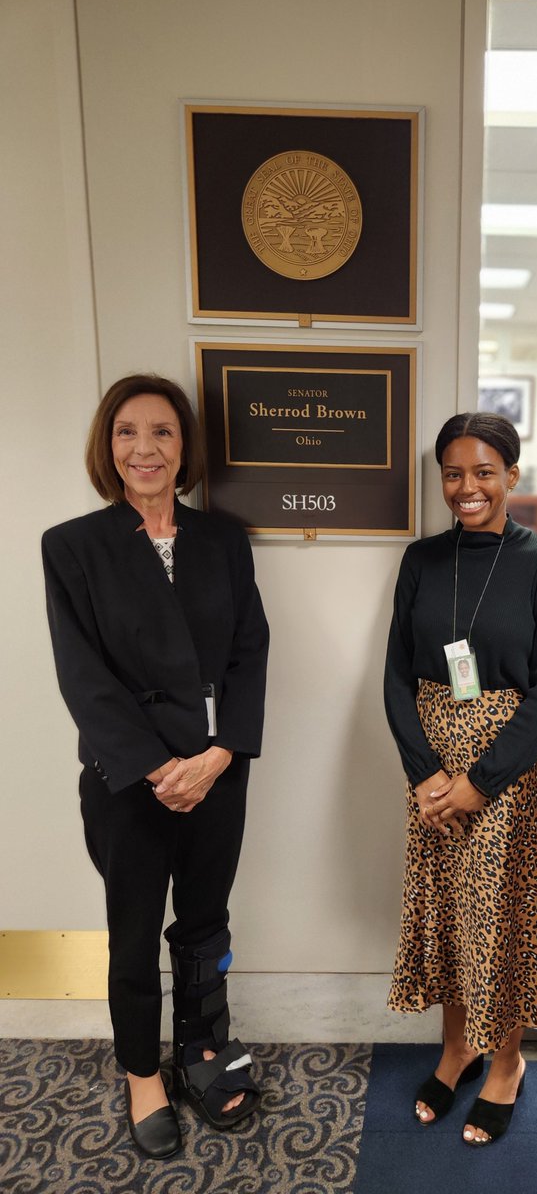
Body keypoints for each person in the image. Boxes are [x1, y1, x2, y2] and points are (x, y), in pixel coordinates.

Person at [42, 375, 269, 1159]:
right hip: (127, 780)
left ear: (185, 447)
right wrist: (155, 770)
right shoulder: (72, 546)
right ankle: (143, 1071)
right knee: (133, 934)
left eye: (163, 432)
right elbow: (84, 678)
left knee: (206, 922)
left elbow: (248, 653)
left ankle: (204, 1050)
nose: (146, 449)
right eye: (128, 433)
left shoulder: (224, 541)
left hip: (217, 770)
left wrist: (217, 755)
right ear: (108, 447)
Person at [384, 412, 537, 1147]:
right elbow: (398, 676)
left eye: (484, 472)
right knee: (450, 920)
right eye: (454, 473)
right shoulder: (422, 559)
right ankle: (457, 1047)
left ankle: (508, 1062)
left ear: (511, 476)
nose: (468, 487)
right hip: (430, 774)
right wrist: (427, 775)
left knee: (505, 919)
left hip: (506, 774)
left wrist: (479, 781)